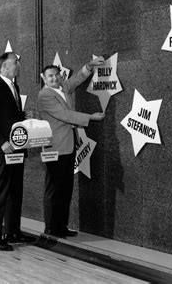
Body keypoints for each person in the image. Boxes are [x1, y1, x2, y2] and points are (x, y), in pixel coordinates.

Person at [38, 56, 105, 238]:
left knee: (65, 189)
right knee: (54, 190)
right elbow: (65, 115)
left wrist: (90, 65)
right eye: (50, 76)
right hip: (54, 149)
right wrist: (90, 117)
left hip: (68, 146)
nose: (54, 78)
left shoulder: (63, 88)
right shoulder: (44, 95)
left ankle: (61, 226)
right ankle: (51, 228)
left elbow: (78, 78)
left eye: (57, 75)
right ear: (43, 78)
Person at [0, 52, 36, 251]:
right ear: (4, 67)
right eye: (15, 63)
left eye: (18, 62)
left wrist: (22, 115)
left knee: (15, 193)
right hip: (3, 151)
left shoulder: (14, 87)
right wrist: (2, 142)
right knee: (0, 194)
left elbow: (6, 117)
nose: (18, 65)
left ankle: (12, 232)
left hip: (17, 150)